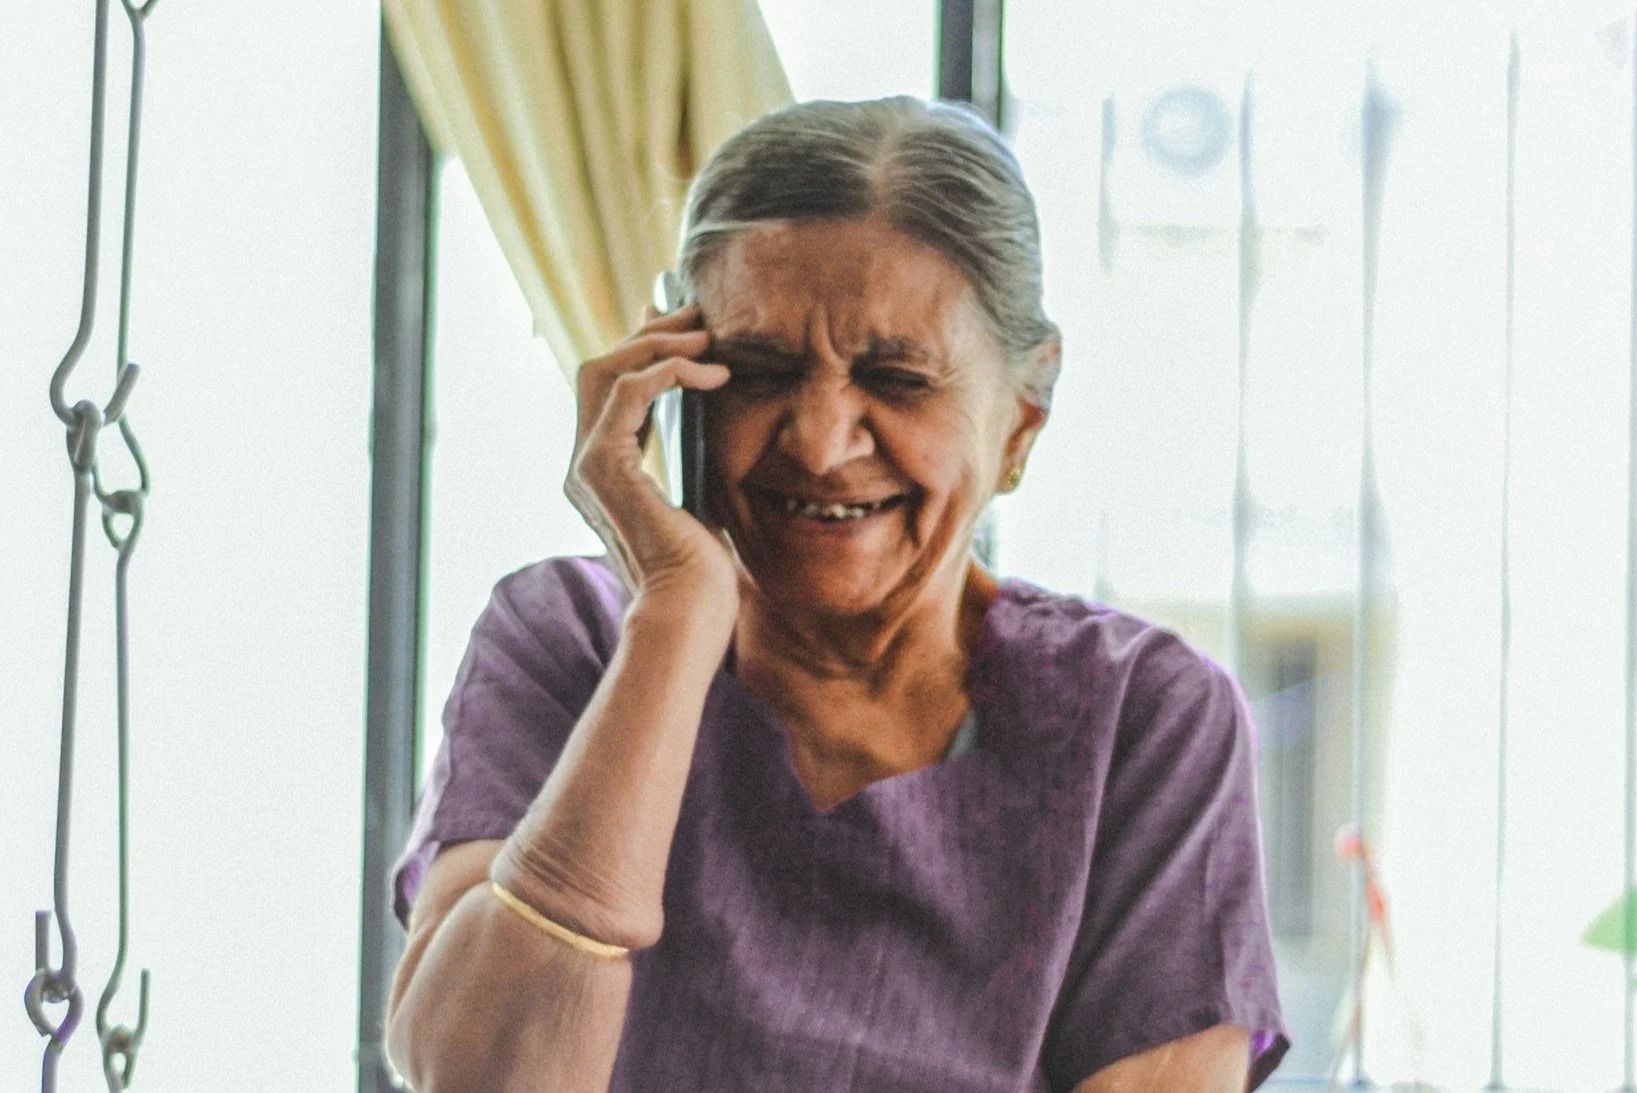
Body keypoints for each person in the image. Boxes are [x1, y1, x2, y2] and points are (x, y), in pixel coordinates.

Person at [384, 96, 1290, 1092]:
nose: (818, 444)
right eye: (757, 370)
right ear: (675, 378)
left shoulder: (1140, 716)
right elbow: (475, 1076)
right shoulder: (568, 641)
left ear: (1020, 419)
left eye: (897, 378)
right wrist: (677, 618)